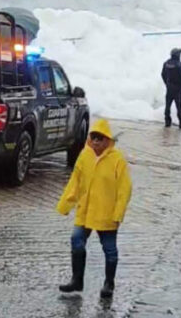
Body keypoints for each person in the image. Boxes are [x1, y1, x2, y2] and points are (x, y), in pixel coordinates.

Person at [56, 119, 132, 299]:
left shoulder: (117, 160)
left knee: (110, 250)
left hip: (106, 214)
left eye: (100, 138)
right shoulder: (84, 156)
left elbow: (125, 189)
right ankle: (77, 280)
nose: (96, 142)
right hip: (85, 211)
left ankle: (109, 283)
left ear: (107, 140)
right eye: (94, 137)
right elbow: (75, 181)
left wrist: (118, 213)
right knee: (76, 241)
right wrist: (66, 204)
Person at [161, 48, 181, 128]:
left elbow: (163, 74)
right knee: (179, 106)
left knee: (168, 105)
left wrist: (167, 83)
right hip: (178, 88)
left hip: (169, 87)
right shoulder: (180, 65)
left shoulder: (166, 63)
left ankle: (167, 121)